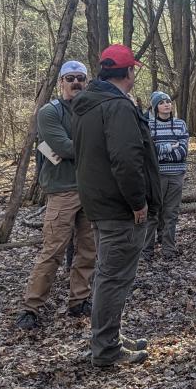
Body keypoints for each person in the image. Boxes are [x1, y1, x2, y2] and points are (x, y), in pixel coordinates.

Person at [71, 44, 159, 367]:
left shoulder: (87, 105)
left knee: (108, 275)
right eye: (133, 69)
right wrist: (138, 202)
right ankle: (106, 348)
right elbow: (126, 160)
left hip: (100, 204)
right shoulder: (116, 107)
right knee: (113, 278)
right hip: (120, 208)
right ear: (128, 73)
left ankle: (108, 337)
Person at [16, 60, 97, 331]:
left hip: (91, 190)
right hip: (62, 192)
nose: (76, 83)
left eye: (81, 78)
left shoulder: (92, 110)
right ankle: (31, 307)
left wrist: (79, 148)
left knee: (88, 250)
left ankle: (80, 300)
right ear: (61, 82)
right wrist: (94, 147)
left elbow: (76, 147)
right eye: (70, 78)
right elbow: (61, 146)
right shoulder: (49, 112)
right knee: (53, 251)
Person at [144, 91, 189, 259]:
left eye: (168, 101)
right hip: (156, 177)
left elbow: (183, 152)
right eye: (162, 102)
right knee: (153, 214)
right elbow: (149, 153)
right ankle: (147, 250)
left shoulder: (180, 124)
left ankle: (168, 249)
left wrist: (160, 151)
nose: (166, 104)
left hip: (176, 175)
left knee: (171, 214)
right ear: (156, 107)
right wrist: (170, 147)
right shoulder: (148, 125)